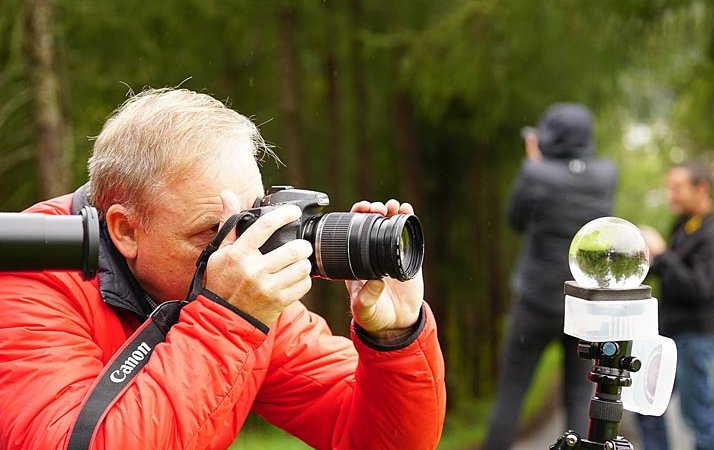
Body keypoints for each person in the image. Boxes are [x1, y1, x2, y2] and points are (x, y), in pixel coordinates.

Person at [0, 88, 445, 450]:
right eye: (211, 231)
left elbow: (379, 441)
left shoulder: (240, 287)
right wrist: (226, 320)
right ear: (125, 230)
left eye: (250, 220)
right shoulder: (32, 280)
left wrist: (394, 337)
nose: (237, 251)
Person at [482, 103, 618, 449]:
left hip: (536, 302)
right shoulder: (606, 174)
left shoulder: (536, 173)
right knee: (577, 396)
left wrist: (535, 161)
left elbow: (515, 218)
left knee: (511, 393)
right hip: (582, 304)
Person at [636, 162, 714, 450]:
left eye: (677, 188)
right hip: (672, 335)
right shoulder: (686, 225)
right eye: (669, 188)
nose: (671, 195)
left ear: (701, 188)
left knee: (697, 417)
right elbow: (671, 271)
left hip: (697, 338)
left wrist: (663, 253)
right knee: (647, 406)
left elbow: (700, 288)